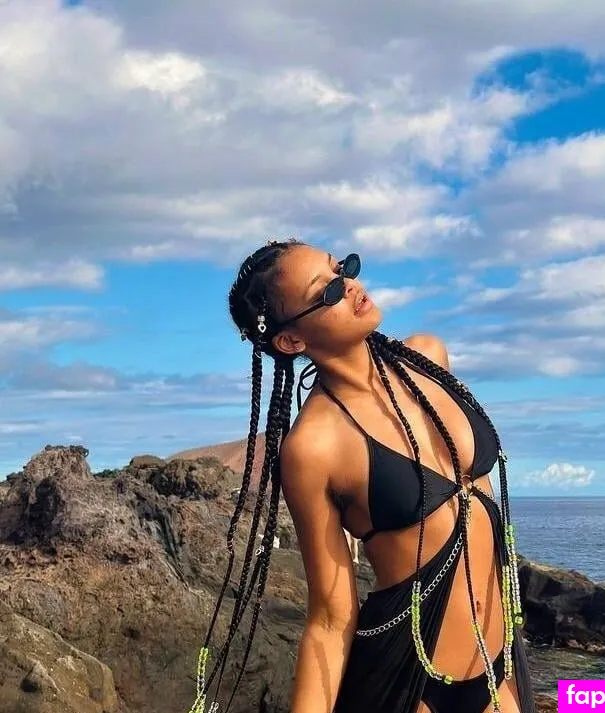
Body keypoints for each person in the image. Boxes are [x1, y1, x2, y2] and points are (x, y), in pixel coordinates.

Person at [188, 240, 535, 713]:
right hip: (406, 683)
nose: (349, 286)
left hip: (499, 665)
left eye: (343, 269)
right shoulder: (314, 447)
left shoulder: (428, 358)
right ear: (291, 341)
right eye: (328, 291)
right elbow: (330, 619)